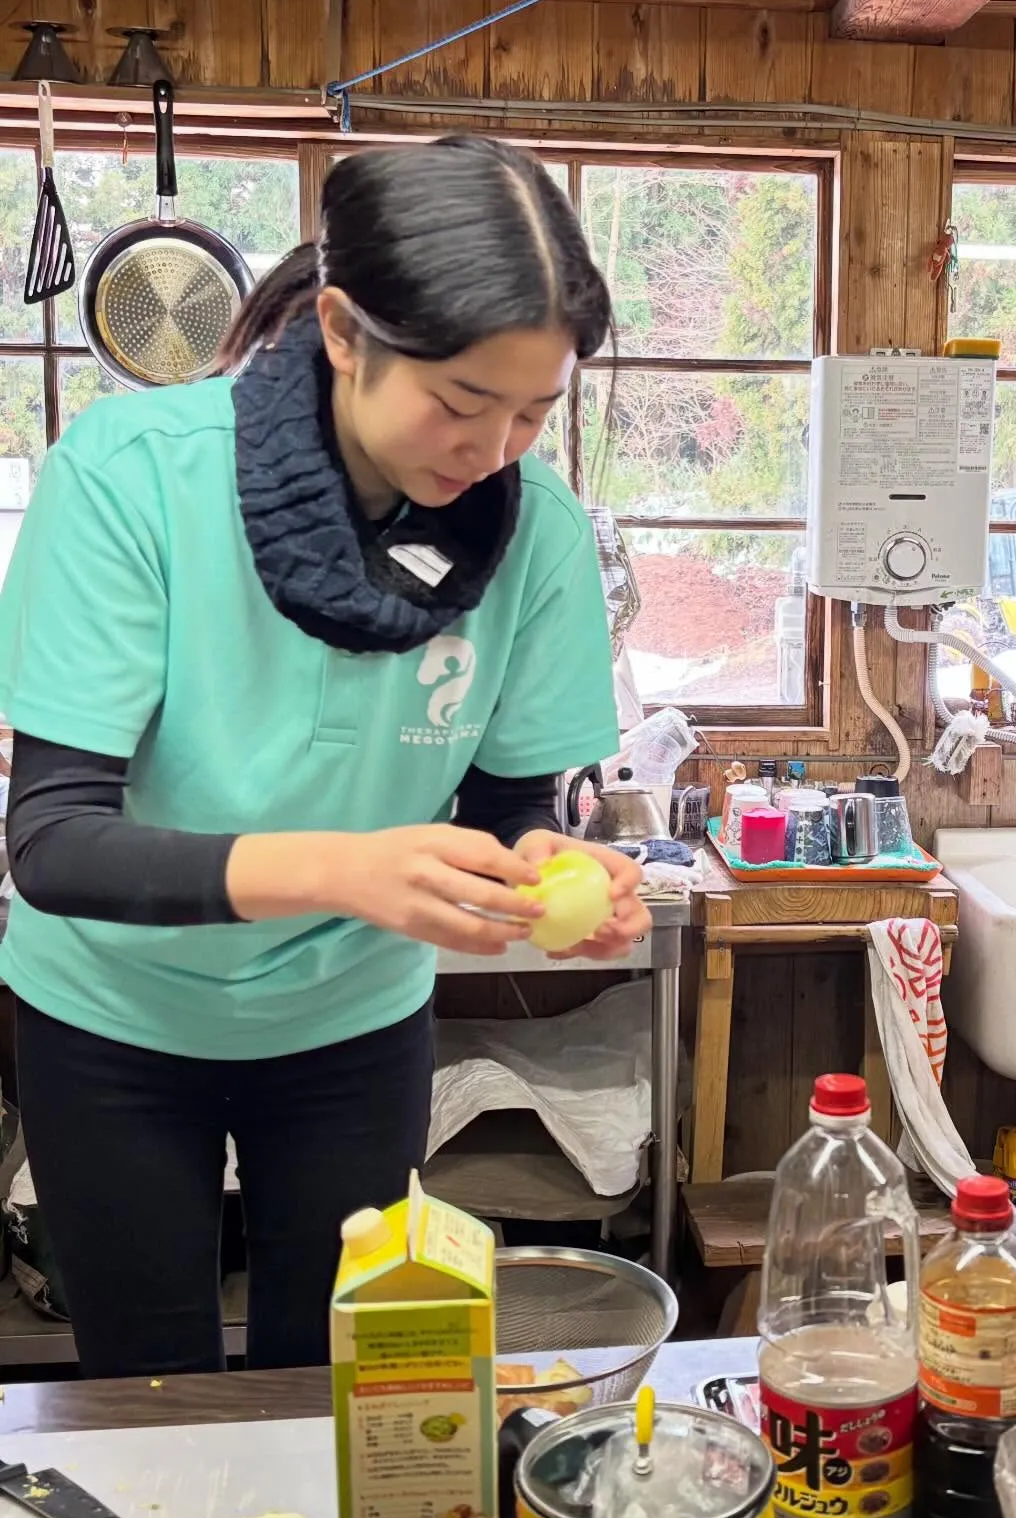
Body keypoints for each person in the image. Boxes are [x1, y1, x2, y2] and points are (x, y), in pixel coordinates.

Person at [0, 136, 649, 1378]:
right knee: (148, 1387)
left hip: (354, 1022)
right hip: (114, 1013)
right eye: (461, 401)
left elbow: (513, 801)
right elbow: (55, 841)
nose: (496, 446)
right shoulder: (134, 478)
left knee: (350, 1385)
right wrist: (350, 869)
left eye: (534, 410)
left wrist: (547, 873)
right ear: (344, 330)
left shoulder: (540, 534)